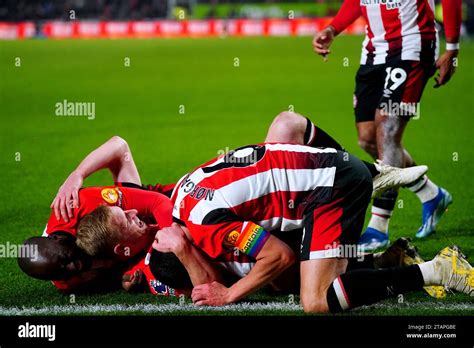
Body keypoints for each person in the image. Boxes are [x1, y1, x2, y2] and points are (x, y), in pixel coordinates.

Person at [158, 141, 473, 312]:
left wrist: (229, 295)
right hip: (326, 169)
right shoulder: (181, 196)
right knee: (280, 280)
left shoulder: (206, 227)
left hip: (332, 187)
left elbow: (280, 256)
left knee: (316, 301)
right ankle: (386, 259)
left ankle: (439, 270)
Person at [312, 0, 462, 250]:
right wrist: (333, 29)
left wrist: (453, 47)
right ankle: (431, 194)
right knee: (368, 139)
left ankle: (378, 227)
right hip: (373, 53)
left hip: (412, 47)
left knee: (388, 129)